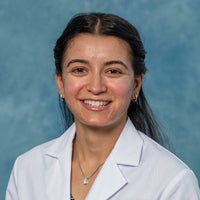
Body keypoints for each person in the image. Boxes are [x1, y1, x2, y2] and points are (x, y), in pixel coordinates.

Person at [6, 12, 200, 200]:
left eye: (113, 71)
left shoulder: (173, 182)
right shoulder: (27, 170)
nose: (96, 87)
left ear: (136, 85)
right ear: (60, 83)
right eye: (80, 70)